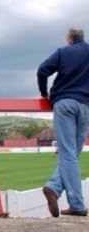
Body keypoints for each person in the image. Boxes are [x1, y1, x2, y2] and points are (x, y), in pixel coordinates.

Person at [37, 27, 89, 217]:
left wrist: (44, 93)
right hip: (85, 106)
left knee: (68, 153)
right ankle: (56, 188)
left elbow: (42, 70)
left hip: (64, 103)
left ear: (68, 39)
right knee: (73, 152)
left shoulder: (63, 52)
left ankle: (74, 201)